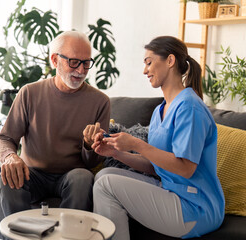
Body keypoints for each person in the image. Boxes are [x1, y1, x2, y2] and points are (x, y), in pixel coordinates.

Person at [91, 36, 225, 239]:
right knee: (104, 175)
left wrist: (136, 144)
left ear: (170, 61)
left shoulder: (189, 107)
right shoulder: (159, 111)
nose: (145, 71)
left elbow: (185, 168)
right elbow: (156, 167)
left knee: (105, 185)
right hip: (170, 190)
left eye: (149, 62)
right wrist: (117, 153)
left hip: (196, 206)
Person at [0, 30, 110, 217]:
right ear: (55, 60)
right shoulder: (29, 93)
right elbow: (5, 139)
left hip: (72, 175)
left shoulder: (100, 102)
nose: (81, 71)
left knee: (83, 177)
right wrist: (10, 157)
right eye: (74, 62)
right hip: (32, 173)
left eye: (86, 63)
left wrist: (89, 146)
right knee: (7, 178)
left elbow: (94, 161)